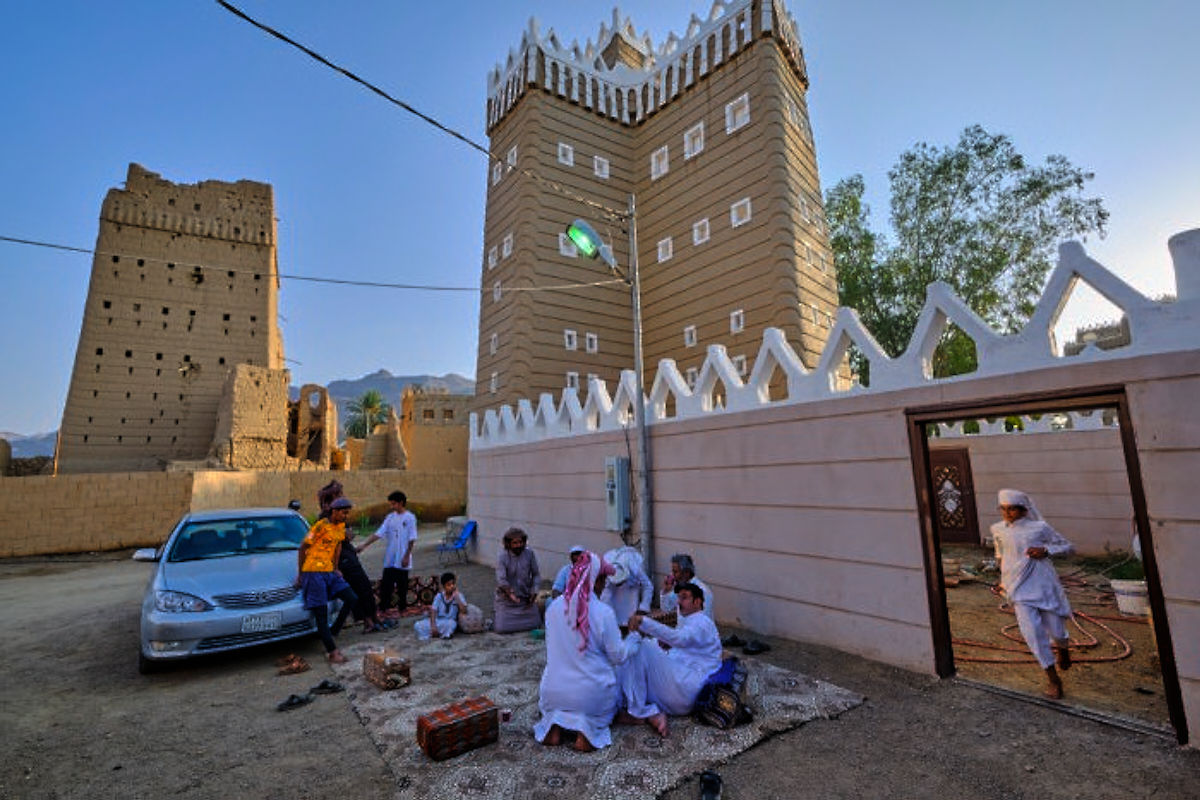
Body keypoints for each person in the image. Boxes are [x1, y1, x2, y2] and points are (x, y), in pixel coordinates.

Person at [533, 550, 634, 752]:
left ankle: (555, 726)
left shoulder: (553, 608)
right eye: (603, 580)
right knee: (616, 679)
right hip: (589, 696)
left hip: (552, 693)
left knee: (560, 702)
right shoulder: (603, 612)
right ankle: (586, 732)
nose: (605, 585)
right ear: (597, 581)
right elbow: (618, 656)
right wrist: (634, 639)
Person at [990, 488, 1076, 700]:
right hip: (1018, 589)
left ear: (1023, 510)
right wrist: (1003, 581)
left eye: (1012, 509)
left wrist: (1046, 551)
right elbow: (1001, 557)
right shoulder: (997, 529)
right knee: (1033, 635)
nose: (1007, 513)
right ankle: (1053, 679)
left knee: (1057, 630)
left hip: (1043, 585)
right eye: (1003, 509)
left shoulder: (1039, 528)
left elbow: (1068, 547)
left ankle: (1062, 647)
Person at [616, 582, 722, 737]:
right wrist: (666, 646)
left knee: (641, 646)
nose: (679, 602)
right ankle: (628, 704)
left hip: (687, 689)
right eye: (679, 597)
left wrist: (644, 622)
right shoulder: (690, 620)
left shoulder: (702, 622)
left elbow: (680, 639)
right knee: (639, 646)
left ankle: (639, 711)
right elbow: (685, 645)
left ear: (698, 601)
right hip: (682, 685)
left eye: (684, 598)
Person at [296, 496, 358, 664]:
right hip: (313, 571)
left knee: (351, 598)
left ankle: (333, 631)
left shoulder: (340, 527)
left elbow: (337, 546)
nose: (346, 516)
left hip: (329, 571)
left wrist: (336, 568)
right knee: (321, 614)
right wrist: (301, 574)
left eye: (347, 513)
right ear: (334, 511)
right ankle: (332, 652)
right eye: (344, 513)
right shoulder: (320, 526)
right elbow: (303, 547)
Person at [357, 490, 417, 620]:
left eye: (394, 503)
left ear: (401, 502)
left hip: (402, 556)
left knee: (402, 584)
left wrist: (407, 556)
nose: (392, 506)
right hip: (391, 557)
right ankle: (384, 608)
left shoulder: (410, 518)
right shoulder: (390, 518)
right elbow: (379, 533)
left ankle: (402, 608)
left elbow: (412, 538)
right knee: (386, 583)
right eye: (391, 504)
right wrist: (364, 545)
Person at [493, 527, 542, 633]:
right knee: (501, 628)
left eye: (521, 542)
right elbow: (501, 580)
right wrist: (510, 594)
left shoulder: (529, 553)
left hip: (525, 599)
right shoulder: (502, 556)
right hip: (507, 599)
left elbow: (536, 575)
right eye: (515, 543)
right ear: (508, 544)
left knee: (536, 624)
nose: (519, 545)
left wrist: (534, 591)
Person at [599, 545, 654, 626]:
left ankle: (630, 622)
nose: (619, 586)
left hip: (631, 585)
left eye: (620, 583)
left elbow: (648, 586)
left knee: (631, 602)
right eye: (617, 584)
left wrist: (643, 607)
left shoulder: (635, 569)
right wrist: (606, 614)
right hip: (613, 584)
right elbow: (606, 595)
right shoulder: (607, 572)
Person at [659, 553, 714, 620]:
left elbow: (704, 618)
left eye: (675, 572)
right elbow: (666, 609)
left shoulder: (703, 591)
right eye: (672, 572)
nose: (672, 576)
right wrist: (666, 591)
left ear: (687, 572)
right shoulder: (679, 588)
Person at [414, 572, 469, 640]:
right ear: (444, 586)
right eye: (449, 585)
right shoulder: (439, 596)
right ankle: (433, 634)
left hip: (449, 621)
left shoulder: (458, 596)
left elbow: (463, 611)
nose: (451, 587)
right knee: (418, 625)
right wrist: (433, 626)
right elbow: (433, 611)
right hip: (438, 621)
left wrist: (457, 597)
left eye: (453, 584)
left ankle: (442, 635)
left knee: (451, 625)